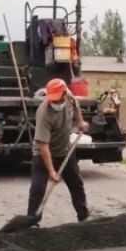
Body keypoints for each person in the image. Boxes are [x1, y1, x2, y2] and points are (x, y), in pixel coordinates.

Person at [27, 79, 91, 223]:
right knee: (38, 188)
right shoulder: (43, 112)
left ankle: (84, 216)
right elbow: (43, 145)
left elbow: (76, 104)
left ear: (64, 94)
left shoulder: (69, 97)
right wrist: (52, 172)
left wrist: (80, 121)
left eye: (57, 100)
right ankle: (31, 221)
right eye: (52, 100)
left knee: (76, 183)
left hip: (64, 150)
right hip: (43, 153)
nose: (54, 103)